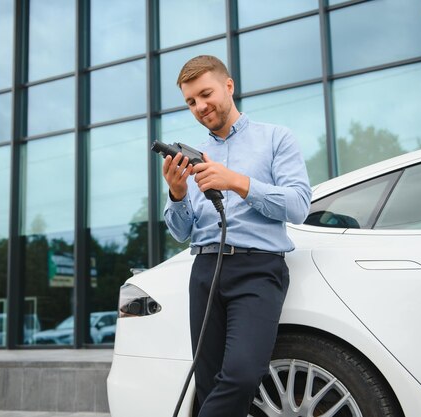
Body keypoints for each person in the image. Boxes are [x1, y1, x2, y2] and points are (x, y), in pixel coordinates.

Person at [162, 55, 312, 417]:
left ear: (229, 86)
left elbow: (299, 205)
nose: (199, 106)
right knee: (209, 381)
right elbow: (182, 232)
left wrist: (238, 183)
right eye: (190, 102)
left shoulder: (276, 138)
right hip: (205, 271)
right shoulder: (192, 156)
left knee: (243, 374)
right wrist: (177, 195)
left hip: (258, 270)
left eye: (205, 94)